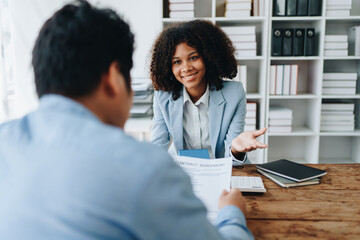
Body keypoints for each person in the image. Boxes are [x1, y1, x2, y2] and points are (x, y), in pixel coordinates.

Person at [0, 1, 254, 239]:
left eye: (193, 57)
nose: (185, 67)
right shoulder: (146, 169)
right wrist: (232, 214)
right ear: (113, 78)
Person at [150, 20, 267, 165]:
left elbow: (233, 159)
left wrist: (236, 150)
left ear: (208, 57)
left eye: (193, 57)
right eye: (177, 62)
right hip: (183, 170)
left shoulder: (234, 94)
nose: (186, 68)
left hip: (223, 168)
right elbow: (157, 147)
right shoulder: (162, 97)